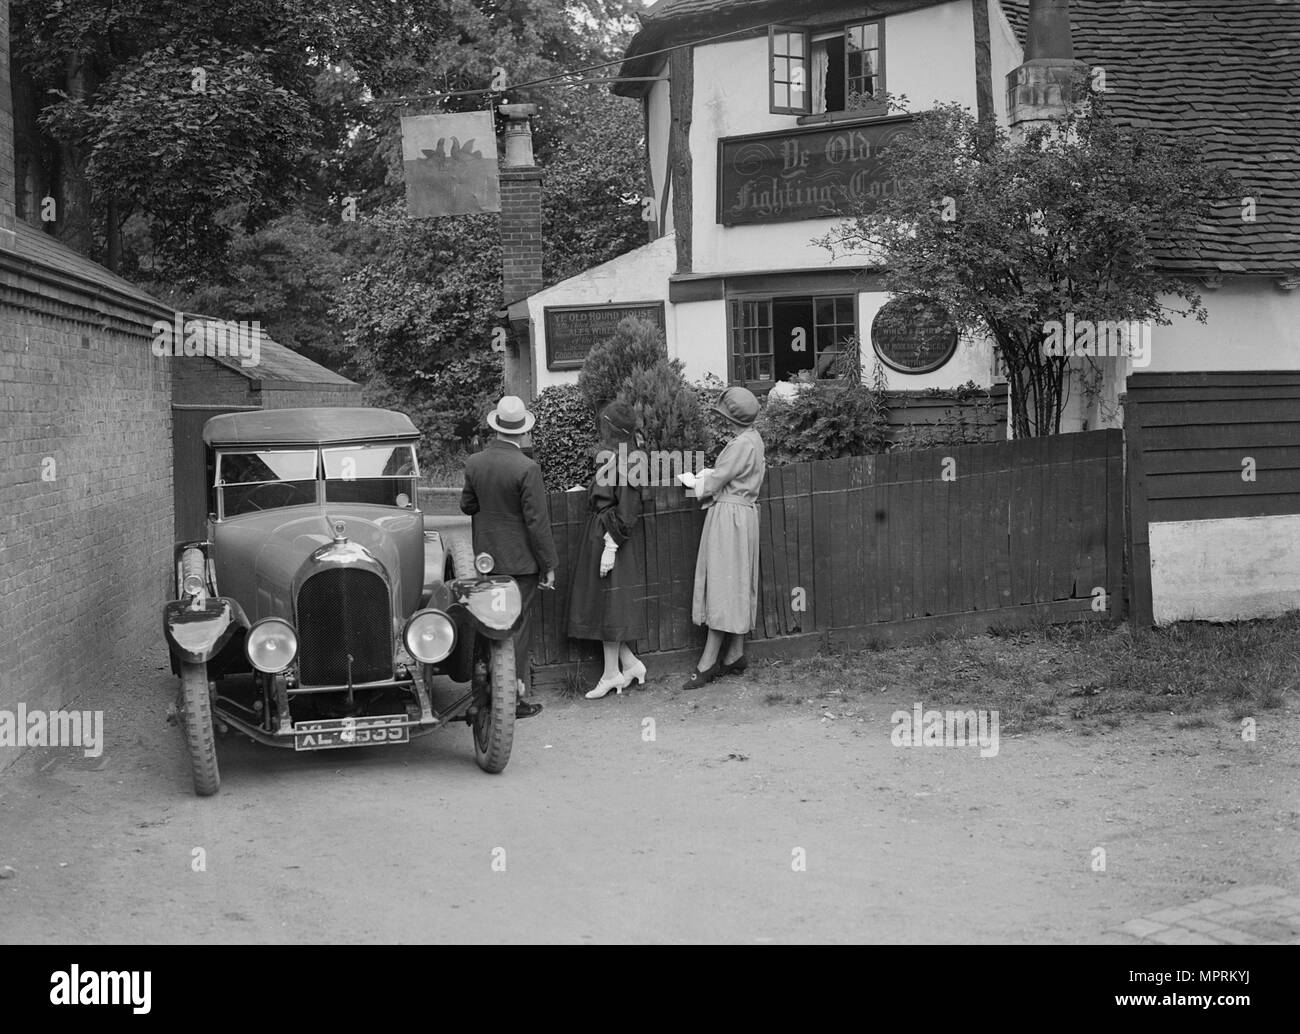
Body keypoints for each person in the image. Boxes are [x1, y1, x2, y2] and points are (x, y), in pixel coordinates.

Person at [460, 396, 557, 718]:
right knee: (516, 628)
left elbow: (467, 506)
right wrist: (549, 565)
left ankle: (480, 696)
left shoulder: (474, 463)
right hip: (520, 564)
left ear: (497, 427)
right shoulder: (527, 468)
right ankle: (512, 699)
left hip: (486, 560)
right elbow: (537, 523)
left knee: (485, 624)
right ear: (522, 432)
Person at [681, 386, 765, 690]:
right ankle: (735, 653)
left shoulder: (739, 444)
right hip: (744, 516)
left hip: (729, 517)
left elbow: (719, 479)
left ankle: (707, 662)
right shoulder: (754, 439)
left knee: (722, 583)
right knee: (738, 580)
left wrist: (695, 481)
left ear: (732, 418)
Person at [566, 402, 649, 700]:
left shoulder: (631, 460)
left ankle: (612, 674)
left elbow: (627, 512)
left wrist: (611, 547)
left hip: (611, 539)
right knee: (603, 606)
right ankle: (630, 665)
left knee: (609, 608)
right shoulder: (622, 457)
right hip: (601, 535)